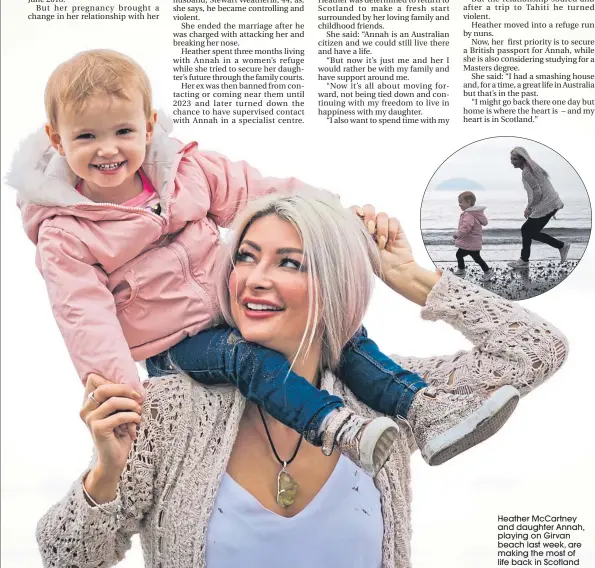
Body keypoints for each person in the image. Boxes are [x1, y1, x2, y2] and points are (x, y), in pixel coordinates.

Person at [7, 49, 518, 474]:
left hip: (233, 308)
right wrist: (122, 399)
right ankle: (337, 427)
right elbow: (84, 318)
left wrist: (335, 217)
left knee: (336, 330)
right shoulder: (66, 231)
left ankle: (425, 410)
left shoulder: (187, 172)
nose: (107, 150)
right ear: (57, 139)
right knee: (245, 358)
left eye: (122, 131)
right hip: (174, 346)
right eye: (86, 137)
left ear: (149, 126)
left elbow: (263, 194)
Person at [36, 191, 568, 568]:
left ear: (335, 283)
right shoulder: (170, 409)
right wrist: (106, 474)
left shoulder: (387, 400)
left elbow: (536, 352)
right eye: (246, 257)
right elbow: (66, 557)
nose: (256, 278)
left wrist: (409, 278)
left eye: (290, 262)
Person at [508, 147, 570, 269]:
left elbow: (537, 192)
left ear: (522, 159)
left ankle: (525, 260)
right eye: (511, 159)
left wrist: (529, 208)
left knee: (526, 229)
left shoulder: (527, 171)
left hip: (548, 204)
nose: (512, 162)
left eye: (514, 159)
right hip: (551, 203)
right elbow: (537, 191)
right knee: (530, 232)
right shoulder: (532, 166)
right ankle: (560, 246)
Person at [452, 191, 492, 280]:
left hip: (469, 243)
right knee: (476, 258)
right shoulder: (475, 213)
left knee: (461, 255)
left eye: (461, 202)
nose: (459, 204)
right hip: (472, 242)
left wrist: (457, 234)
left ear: (468, 202)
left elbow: (465, 228)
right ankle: (486, 272)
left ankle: (462, 270)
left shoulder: (468, 214)